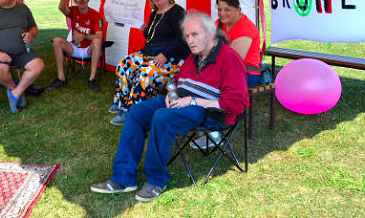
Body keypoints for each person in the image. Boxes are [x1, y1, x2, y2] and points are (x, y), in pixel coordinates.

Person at [91, 13, 249, 202]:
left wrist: (192, 101)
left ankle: (156, 180)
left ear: (210, 34)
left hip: (211, 111)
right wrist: (170, 93)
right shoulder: (195, 56)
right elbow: (176, 80)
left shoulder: (229, 58)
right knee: (136, 112)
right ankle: (123, 178)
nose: (190, 41)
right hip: (182, 101)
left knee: (162, 117)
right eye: (187, 36)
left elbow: (237, 103)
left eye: (194, 35)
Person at [108, 0, 190, 126]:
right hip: (149, 53)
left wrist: (165, 55)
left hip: (170, 58)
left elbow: (183, 38)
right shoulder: (154, 13)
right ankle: (120, 101)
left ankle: (131, 111)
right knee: (123, 65)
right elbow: (151, 36)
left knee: (145, 73)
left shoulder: (177, 11)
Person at [190, 0, 261, 150]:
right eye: (220, 9)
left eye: (227, 9)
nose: (222, 13)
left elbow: (232, 61)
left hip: (246, 72)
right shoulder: (219, 23)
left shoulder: (246, 28)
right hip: (223, 67)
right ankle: (196, 119)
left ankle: (215, 132)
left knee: (212, 85)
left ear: (238, 9)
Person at [46, 0, 103, 92]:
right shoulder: (73, 11)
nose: (81, 0)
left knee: (97, 41)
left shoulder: (96, 15)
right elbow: (61, 7)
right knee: (57, 40)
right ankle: (61, 78)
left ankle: (92, 79)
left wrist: (85, 36)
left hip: (88, 49)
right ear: (75, 1)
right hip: (74, 47)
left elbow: (99, 36)